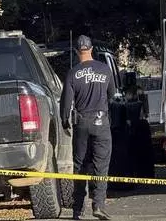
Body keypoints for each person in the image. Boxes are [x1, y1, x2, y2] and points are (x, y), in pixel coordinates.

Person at [60, 35, 114, 220]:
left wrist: (65, 121)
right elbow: (112, 94)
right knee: (101, 165)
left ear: (76, 51)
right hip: (102, 122)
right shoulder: (105, 70)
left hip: (81, 123)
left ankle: (78, 210)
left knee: (80, 166)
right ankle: (98, 205)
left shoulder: (73, 73)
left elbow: (66, 103)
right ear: (91, 49)